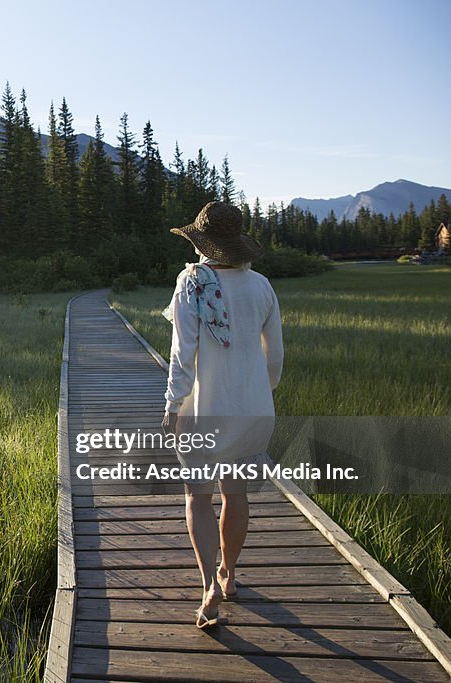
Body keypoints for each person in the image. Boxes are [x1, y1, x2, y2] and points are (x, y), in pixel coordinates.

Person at [160, 201, 283, 630]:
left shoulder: (191, 283)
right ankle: (229, 577)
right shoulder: (263, 287)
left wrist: (174, 404)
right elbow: (276, 359)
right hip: (251, 409)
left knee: (198, 495)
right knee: (236, 492)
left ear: (202, 243)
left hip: (201, 408)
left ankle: (207, 582)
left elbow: (183, 353)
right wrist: (255, 395)